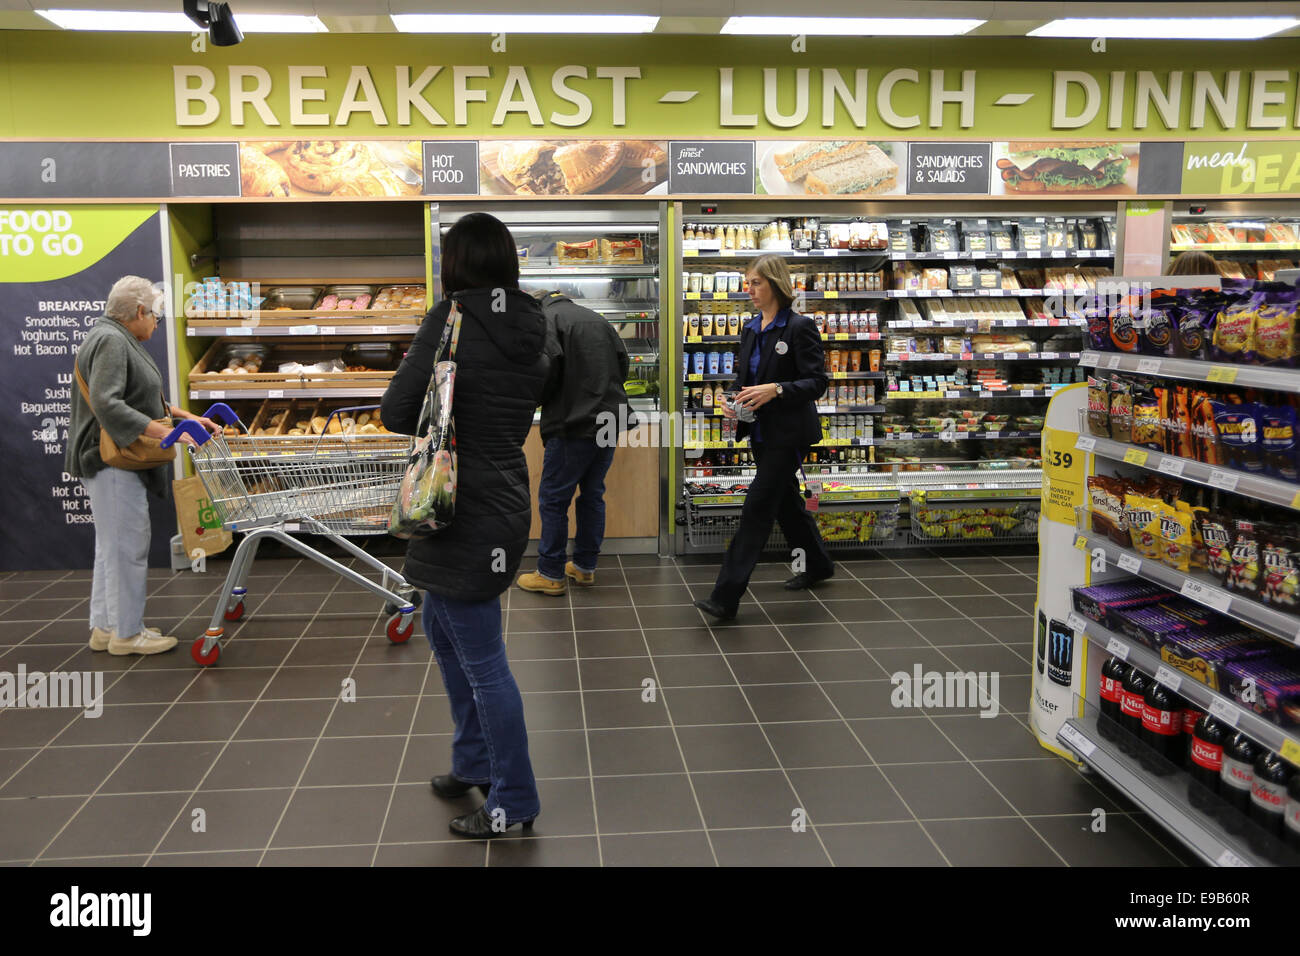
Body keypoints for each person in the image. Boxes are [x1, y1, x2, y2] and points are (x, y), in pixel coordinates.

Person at [382, 212, 548, 839]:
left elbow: (398, 411)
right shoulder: (536, 324)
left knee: (483, 659)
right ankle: (473, 761)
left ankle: (515, 798)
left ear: (455, 264)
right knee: (441, 626)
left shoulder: (448, 320)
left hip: (453, 502)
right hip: (503, 496)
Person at [68, 276, 216, 656]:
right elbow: (108, 403)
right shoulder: (113, 341)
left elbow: (141, 397)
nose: (156, 323)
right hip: (111, 460)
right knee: (128, 547)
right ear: (138, 312)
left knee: (111, 547)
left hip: (105, 459)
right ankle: (128, 634)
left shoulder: (112, 336)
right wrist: (163, 432)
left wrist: (183, 417)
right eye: (156, 316)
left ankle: (106, 627)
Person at [693, 254, 834, 622]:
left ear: (775, 283)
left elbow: (817, 382)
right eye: (747, 282)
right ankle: (818, 564)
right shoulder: (751, 328)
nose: (749, 289)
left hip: (788, 433)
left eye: (755, 282)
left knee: (757, 507)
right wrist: (731, 401)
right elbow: (743, 379)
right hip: (758, 429)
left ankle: (725, 596)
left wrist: (778, 389)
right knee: (785, 501)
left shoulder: (799, 327)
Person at [516, 289, 637, 596]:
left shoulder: (547, 321)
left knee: (554, 499)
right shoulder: (598, 319)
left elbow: (544, 373)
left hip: (573, 423)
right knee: (593, 494)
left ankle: (550, 572)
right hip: (609, 420)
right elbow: (624, 367)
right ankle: (584, 568)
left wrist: (537, 400)